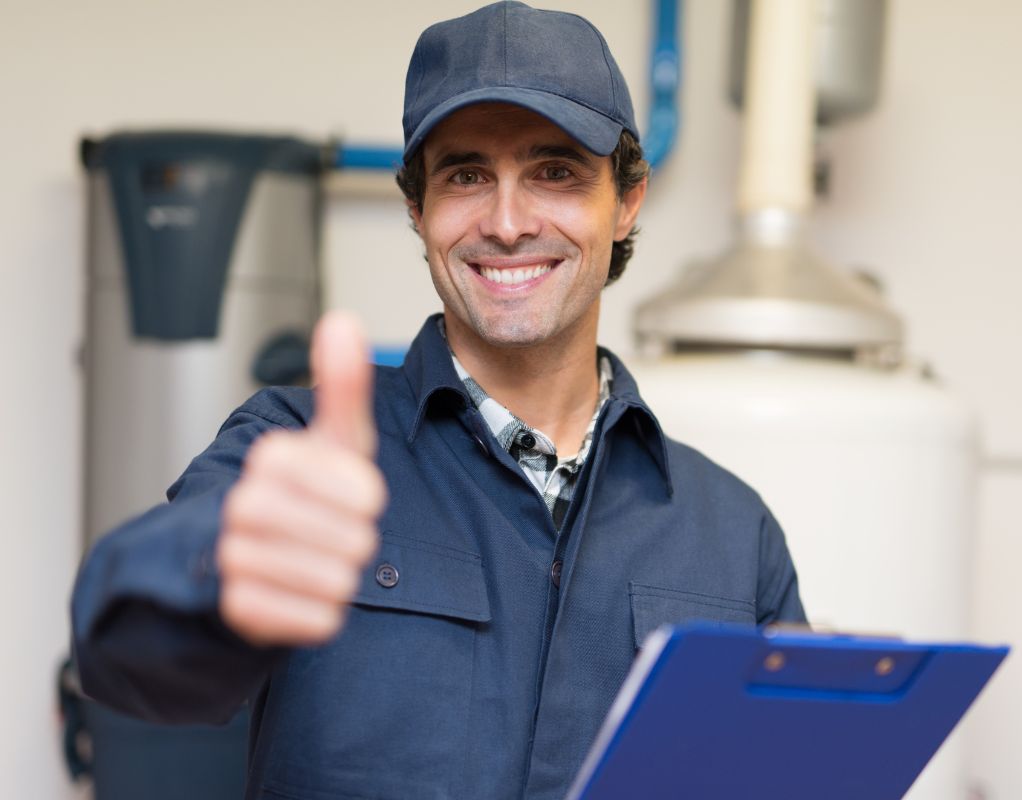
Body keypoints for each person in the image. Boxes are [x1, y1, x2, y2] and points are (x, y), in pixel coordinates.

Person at [71, 3, 804, 798]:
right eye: (465, 175)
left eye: (555, 171)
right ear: (418, 209)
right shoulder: (292, 450)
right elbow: (127, 656)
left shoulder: (733, 533)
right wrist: (214, 568)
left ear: (626, 202)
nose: (508, 222)